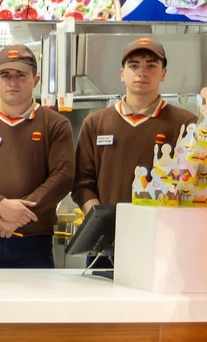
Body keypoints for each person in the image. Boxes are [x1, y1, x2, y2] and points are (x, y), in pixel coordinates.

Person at [0, 45, 74, 269]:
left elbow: (62, 176)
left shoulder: (56, 124)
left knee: (35, 294)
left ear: (35, 80)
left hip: (34, 238)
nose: (13, 82)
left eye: (21, 75)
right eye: (5, 75)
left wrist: (19, 216)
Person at [74, 37, 197, 212]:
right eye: (134, 65)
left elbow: (192, 183)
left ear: (163, 74)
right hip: (110, 226)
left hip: (162, 225)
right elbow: (82, 182)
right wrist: (99, 218)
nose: (142, 72)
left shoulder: (186, 124)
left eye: (151, 66)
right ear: (122, 73)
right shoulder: (95, 123)